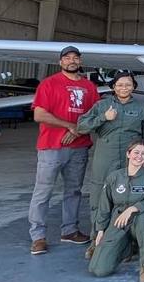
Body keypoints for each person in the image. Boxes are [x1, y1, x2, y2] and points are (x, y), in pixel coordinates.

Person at [28, 46, 100, 255]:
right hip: (52, 147)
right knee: (43, 192)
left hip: (78, 147)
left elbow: (95, 115)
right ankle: (38, 236)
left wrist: (78, 130)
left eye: (75, 57)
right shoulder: (49, 84)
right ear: (60, 62)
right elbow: (39, 115)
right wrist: (68, 125)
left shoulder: (89, 87)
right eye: (67, 57)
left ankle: (69, 230)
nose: (72, 60)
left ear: (80, 61)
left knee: (74, 190)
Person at [77, 71, 144, 259]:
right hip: (106, 156)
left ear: (134, 86)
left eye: (128, 84)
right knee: (99, 197)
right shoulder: (102, 105)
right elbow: (81, 126)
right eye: (120, 85)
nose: (124, 88)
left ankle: (128, 242)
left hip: (131, 158)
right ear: (113, 87)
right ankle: (97, 241)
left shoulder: (142, 107)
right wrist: (103, 118)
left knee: (131, 198)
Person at [88, 141, 144, 282]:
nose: (139, 156)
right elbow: (104, 205)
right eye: (136, 152)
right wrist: (100, 230)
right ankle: (126, 248)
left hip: (141, 219)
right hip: (119, 220)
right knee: (98, 269)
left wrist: (133, 208)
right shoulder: (114, 177)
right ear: (128, 154)